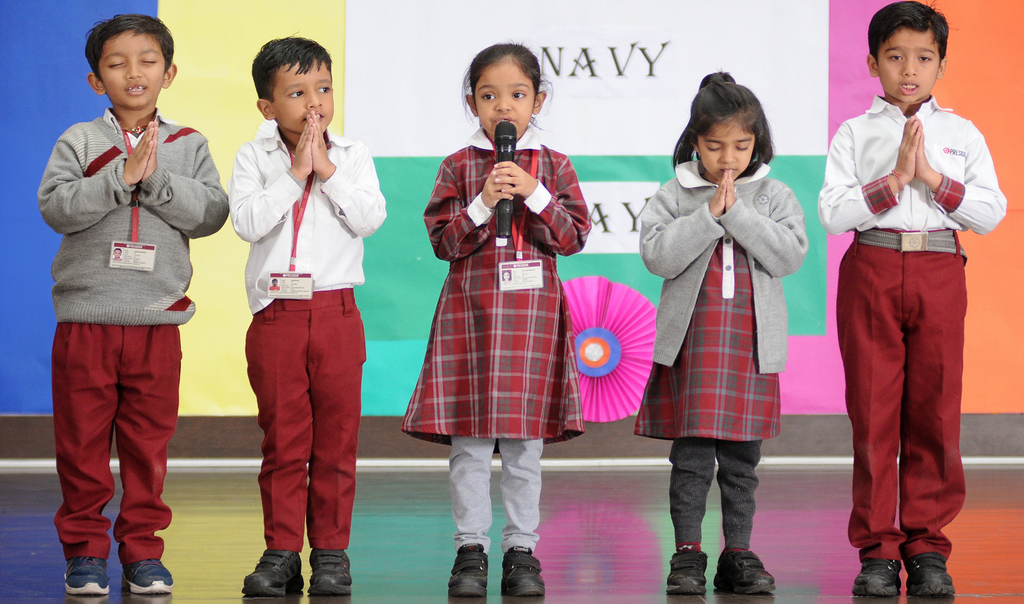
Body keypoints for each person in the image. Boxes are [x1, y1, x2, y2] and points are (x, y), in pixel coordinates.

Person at [37, 14, 229, 595]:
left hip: (155, 320)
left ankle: (143, 552)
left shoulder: (189, 143)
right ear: (97, 80)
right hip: (87, 321)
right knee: (82, 447)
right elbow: (56, 208)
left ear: (168, 72)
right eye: (116, 64)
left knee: (148, 448)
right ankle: (86, 554)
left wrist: (157, 181)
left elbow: (214, 212)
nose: (133, 73)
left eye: (147, 61)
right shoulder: (78, 139)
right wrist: (120, 176)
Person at [818, 1, 1005, 597]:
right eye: (895, 56)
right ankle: (877, 549)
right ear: (873, 62)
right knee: (872, 414)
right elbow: (832, 213)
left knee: (934, 409)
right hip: (872, 263)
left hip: (941, 267)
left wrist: (931, 178)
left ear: (941, 66)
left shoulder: (963, 133)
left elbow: (991, 212)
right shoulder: (855, 132)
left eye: (924, 58)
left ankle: (926, 547)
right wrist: (893, 181)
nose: (909, 69)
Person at [401, 43, 590, 598]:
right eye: (489, 96)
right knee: (472, 446)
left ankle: (522, 549)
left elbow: (573, 237)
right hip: (472, 320)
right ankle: (470, 550)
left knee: (525, 445)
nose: (502, 107)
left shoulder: (553, 164)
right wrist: (482, 202)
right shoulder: (459, 166)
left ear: (538, 100)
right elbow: (443, 242)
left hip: (532, 324)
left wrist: (535, 194)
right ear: (471, 102)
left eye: (516, 95)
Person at [636, 73, 807, 596]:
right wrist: (709, 214)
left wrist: (738, 212)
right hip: (693, 347)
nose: (727, 158)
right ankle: (687, 553)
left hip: (749, 348)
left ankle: (739, 552)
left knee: (741, 462)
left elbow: (789, 255)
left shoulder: (774, 194)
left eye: (741, 145)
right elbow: (658, 256)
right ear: (694, 142)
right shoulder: (676, 193)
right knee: (690, 460)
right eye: (714, 146)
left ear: (759, 144)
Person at [229, 37, 386, 597]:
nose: (314, 102)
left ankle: (332, 552)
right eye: (297, 93)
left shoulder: (354, 153)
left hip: (337, 311)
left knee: (337, 439)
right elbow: (247, 222)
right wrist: (296, 174)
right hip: (277, 316)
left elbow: (369, 218)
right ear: (268, 108)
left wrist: (328, 169)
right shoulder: (255, 157)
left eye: (324, 88)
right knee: (284, 442)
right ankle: (280, 552)